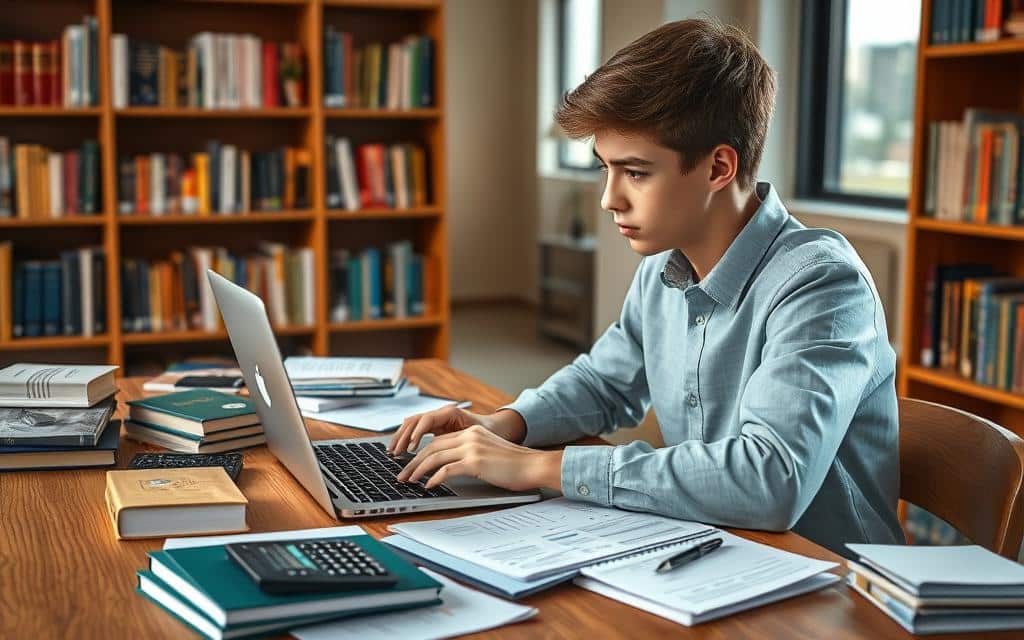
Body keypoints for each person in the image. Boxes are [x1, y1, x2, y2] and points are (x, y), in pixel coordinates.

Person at [388, 16, 903, 555]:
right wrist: (504, 425)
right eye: (606, 168)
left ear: (718, 167)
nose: (610, 198)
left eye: (635, 172)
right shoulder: (664, 269)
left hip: (832, 588)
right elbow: (603, 383)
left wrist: (540, 467)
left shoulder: (821, 284)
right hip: (715, 550)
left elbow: (768, 480)